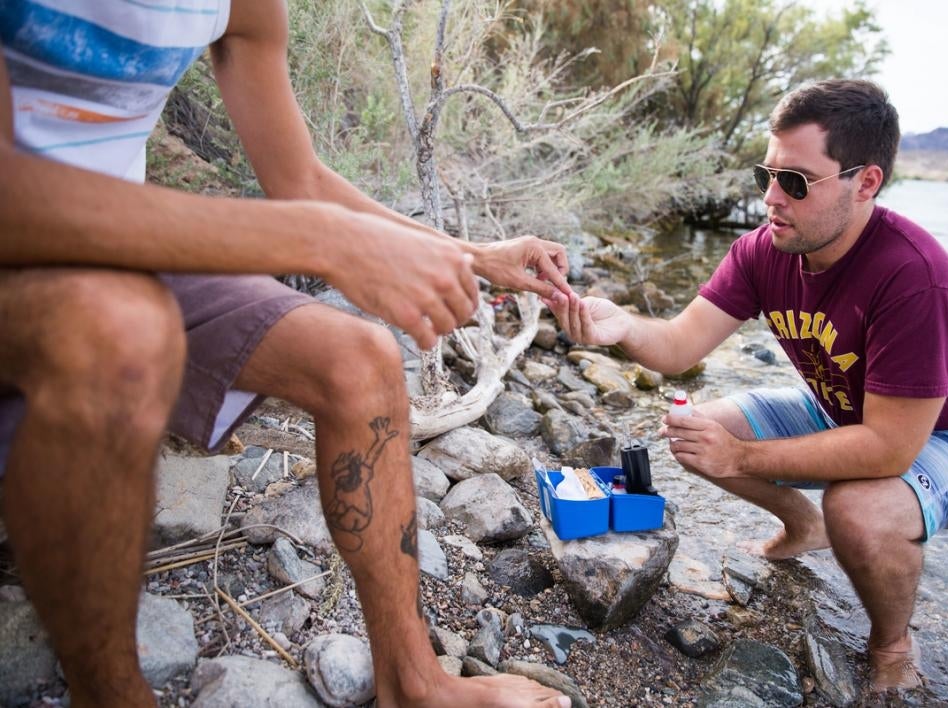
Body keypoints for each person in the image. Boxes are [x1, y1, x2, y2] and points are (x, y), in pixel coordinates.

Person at [0, 2, 573, 706]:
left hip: (114, 244)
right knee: (122, 332)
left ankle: (415, 681)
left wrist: (474, 256)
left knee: (361, 357)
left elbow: (299, 181)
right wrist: (320, 241)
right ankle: (110, 694)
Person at [548, 79, 948, 693]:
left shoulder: (916, 277)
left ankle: (893, 642)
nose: (771, 198)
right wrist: (623, 326)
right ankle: (804, 525)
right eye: (765, 174)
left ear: (865, 182)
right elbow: (680, 346)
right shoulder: (763, 252)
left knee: (859, 511)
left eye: (794, 182)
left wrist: (742, 457)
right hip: (846, 411)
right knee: (697, 430)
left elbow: (891, 449)